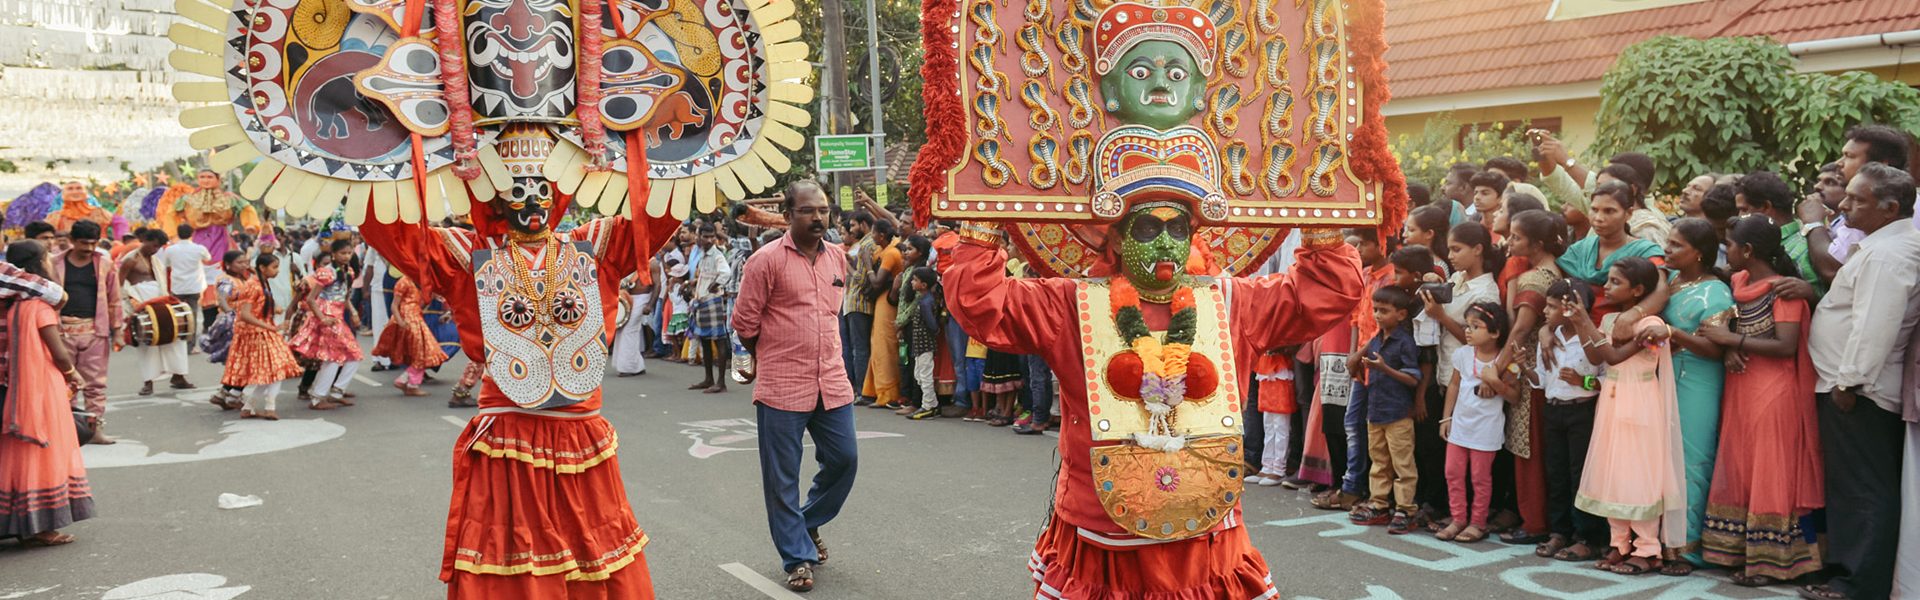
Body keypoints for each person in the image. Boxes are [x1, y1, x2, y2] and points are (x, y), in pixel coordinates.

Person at [359, 163, 672, 598]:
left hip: (580, 433)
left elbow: (664, 202)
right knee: (515, 559)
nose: (531, 202)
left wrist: (674, 148)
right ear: (495, 198)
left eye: (542, 189)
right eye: (515, 189)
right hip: (510, 434)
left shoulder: (592, 245)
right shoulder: (467, 253)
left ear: (558, 194)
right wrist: (373, 158)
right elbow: (390, 228)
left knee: (592, 554)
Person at [730, 181, 860, 592]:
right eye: (807, 210)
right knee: (781, 478)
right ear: (788, 216)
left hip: (833, 383)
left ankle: (807, 523)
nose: (818, 217)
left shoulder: (837, 257)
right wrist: (768, 355)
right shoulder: (765, 261)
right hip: (783, 386)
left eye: (823, 210)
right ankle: (797, 558)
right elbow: (745, 323)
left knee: (845, 460)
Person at [1800, 163, 1920, 600]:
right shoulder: (1882, 245)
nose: (1844, 205)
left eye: (1857, 200)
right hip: (1849, 383)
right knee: (1851, 485)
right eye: (1846, 195)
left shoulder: (1890, 254)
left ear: (1889, 208)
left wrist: (1849, 383)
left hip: (1858, 389)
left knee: (1863, 488)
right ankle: (1847, 574)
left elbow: (1876, 325)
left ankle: (1857, 584)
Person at [1692, 216, 1823, 586]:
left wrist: (1733, 342)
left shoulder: (1784, 292)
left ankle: (1772, 563)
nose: (1726, 250)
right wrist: (1730, 344)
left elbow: (1784, 346)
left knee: (1771, 467)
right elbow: (1733, 324)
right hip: (1741, 386)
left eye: (1730, 244)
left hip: (1774, 392)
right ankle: (1738, 552)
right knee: (1741, 463)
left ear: (1747, 251)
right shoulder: (1738, 282)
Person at [1568, 257, 1687, 576]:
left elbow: (1616, 356)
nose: (1606, 286)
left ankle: (1648, 549)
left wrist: (1584, 322)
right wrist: (1582, 324)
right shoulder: (1609, 321)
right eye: (1607, 280)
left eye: (1615, 282)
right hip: (1612, 400)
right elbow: (1596, 358)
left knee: (1639, 474)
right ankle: (1619, 543)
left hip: (1640, 401)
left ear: (1637, 291)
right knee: (1613, 471)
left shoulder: (1653, 327)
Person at [0, 240, 95, 547]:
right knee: (45, 449)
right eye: (47, 258)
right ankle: (43, 526)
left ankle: (22, 523)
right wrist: (73, 374)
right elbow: (58, 352)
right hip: (42, 383)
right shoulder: (39, 305)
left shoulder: (13, 305)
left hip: (20, 385)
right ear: (39, 264)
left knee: (18, 451)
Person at [1532, 278, 1607, 561]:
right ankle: (1559, 531)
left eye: (1551, 307)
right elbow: (1541, 380)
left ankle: (1586, 536)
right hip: (1553, 410)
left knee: (1580, 474)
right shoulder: (1550, 338)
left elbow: (1607, 379)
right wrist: (1525, 370)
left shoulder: (1594, 337)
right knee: (1556, 473)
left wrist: (1582, 380)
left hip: (1582, 412)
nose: (1545, 312)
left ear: (1571, 308)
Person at [1436, 301, 1515, 543]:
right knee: (1453, 472)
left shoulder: (1505, 360)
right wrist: (1446, 417)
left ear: (1495, 332)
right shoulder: (1462, 354)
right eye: (1467, 325)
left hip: (1486, 430)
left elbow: (1514, 395)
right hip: (1460, 425)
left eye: (1475, 326)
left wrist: (1496, 382)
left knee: (1480, 478)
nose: (1468, 331)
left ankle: (1478, 522)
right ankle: (1458, 518)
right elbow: (1454, 385)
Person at [1349, 286, 1424, 534]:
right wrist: (1357, 364)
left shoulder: (1404, 342)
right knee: (1379, 461)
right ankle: (1379, 504)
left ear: (1401, 315)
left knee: (1403, 464)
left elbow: (1413, 378)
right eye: (1376, 310)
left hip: (1398, 412)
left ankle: (1406, 509)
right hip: (1376, 410)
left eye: (1384, 311)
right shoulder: (1376, 339)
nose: (1378, 315)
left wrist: (1384, 369)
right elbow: (1358, 363)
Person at [48, 220, 119, 445]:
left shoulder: (105, 264)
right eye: (83, 243)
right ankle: (67, 432)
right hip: (61, 332)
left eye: (92, 243)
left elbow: (114, 299)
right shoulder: (54, 263)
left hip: (94, 331)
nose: (88, 248)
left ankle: (94, 430)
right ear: (71, 241)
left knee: (96, 385)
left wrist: (117, 331)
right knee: (63, 383)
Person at [221, 253, 304, 420]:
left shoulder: (261, 283)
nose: (278, 271)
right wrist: (270, 327)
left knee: (273, 371)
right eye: (274, 267)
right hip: (255, 333)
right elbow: (245, 314)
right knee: (275, 370)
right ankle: (267, 407)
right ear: (262, 268)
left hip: (262, 331)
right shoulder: (254, 285)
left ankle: (252, 406)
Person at [288, 239, 362, 409]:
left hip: (337, 317)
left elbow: (345, 296)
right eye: (342, 253)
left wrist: (354, 312)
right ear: (333, 254)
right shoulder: (326, 273)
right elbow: (311, 299)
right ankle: (318, 397)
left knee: (352, 356)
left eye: (349, 253)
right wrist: (322, 318)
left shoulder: (348, 271)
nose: (346, 256)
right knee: (334, 358)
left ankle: (335, 392)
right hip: (327, 317)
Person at [122, 227, 192, 395]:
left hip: (161, 302)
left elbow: (162, 282)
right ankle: (148, 382)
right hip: (141, 303)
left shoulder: (156, 261)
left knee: (175, 337)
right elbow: (119, 285)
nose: (156, 250)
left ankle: (178, 376)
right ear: (144, 240)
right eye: (154, 246)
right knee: (148, 342)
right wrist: (129, 306)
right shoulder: (130, 259)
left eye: (159, 247)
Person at [372, 275, 446, 396]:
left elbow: (421, 304)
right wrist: (400, 321)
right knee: (423, 351)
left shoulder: (420, 281)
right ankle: (408, 382)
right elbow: (394, 305)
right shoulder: (403, 282)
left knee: (422, 352)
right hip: (409, 320)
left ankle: (408, 381)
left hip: (416, 318)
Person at [860, 220, 904, 409]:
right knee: (876, 345)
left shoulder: (891, 253)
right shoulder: (883, 251)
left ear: (882, 235)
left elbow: (877, 282)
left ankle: (888, 394)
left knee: (884, 346)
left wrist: (868, 265)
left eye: (874, 233)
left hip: (887, 301)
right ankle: (873, 391)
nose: (872, 236)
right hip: (880, 302)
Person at [687, 223, 734, 394]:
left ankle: (720, 382)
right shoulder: (702, 254)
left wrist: (715, 284)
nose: (708, 240)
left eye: (711, 237)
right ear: (698, 236)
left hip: (712, 300)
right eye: (705, 236)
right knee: (705, 340)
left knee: (718, 340)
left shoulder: (716, 254)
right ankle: (709, 378)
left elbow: (725, 273)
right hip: (702, 300)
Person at [157, 224, 213, 348]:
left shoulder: (170, 249)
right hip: (195, 285)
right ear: (192, 234)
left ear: (178, 233)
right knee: (193, 313)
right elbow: (208, 258)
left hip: (178, 285)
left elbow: (166, 265)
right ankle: (191, 344)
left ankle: (179, 339)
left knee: (178, 312)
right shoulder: (199, 248)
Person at [901, 267, 943, 420]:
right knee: (919, 374)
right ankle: (930, 403)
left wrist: (934, 331)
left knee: (925, 375)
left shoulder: (926, 302)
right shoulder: (924, 299)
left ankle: (929, 405)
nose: (912, 282)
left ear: (923, 285)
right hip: (920, 345)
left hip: (925, 344)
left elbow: (932, 325)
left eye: (915, 280)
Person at [611, 273, 649, 377]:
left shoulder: (652, 264)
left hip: (642, 298)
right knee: (622, 330)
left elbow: (658, 285)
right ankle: (637, 365)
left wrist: (650, 305)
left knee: (629, 330)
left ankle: (628, 367)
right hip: (628, 296)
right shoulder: (633, 263)